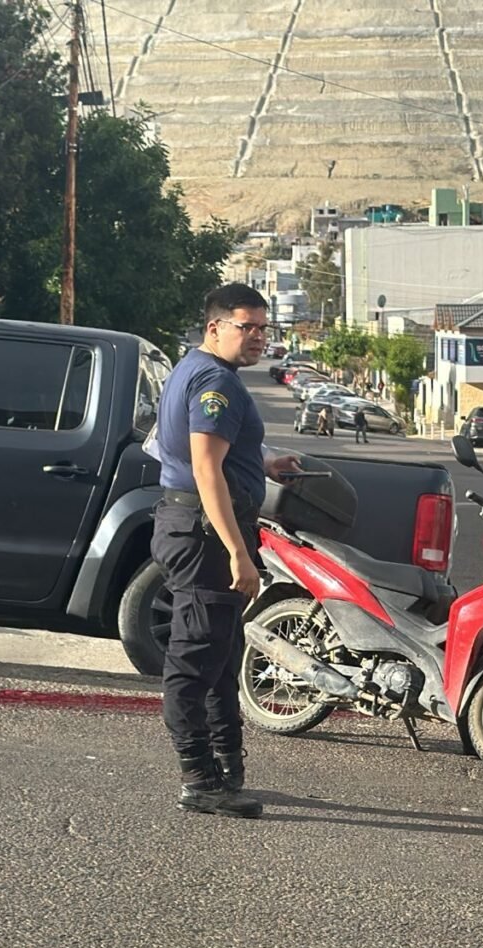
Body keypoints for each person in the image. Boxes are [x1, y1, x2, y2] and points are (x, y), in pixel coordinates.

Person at [151, 283, 300, 819]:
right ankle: (199, 779)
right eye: (247, 326)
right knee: (194, 664)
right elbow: (204, 468)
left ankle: (223, 769)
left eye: (264, 328)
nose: (258, 337)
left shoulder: (197, 369)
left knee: (219, 655)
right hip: (205, 532)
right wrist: (239, 552)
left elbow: (212, 450)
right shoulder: (214, 380)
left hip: (192, 524)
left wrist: (262, 465)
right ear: (215, 326)